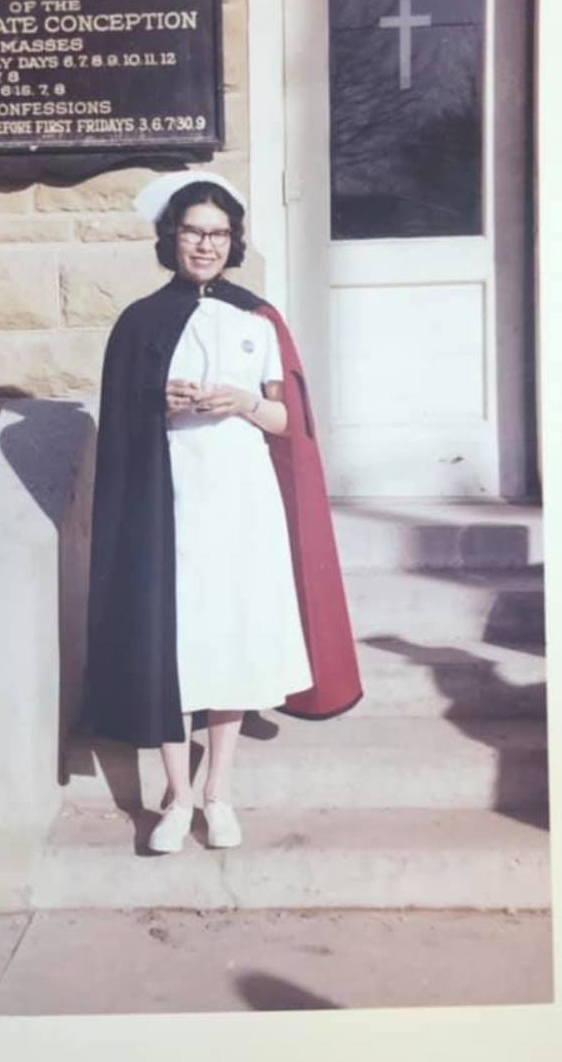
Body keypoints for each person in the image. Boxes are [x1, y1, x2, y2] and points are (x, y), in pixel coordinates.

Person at [86, 171, 362, 854]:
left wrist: (242, 402)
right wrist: (162, 402)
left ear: (233, 240)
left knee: (231, 635)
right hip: (169, 498)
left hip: (241, 498)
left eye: (218, 233)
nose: (205, 244)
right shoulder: (140, 322)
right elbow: (122, 421)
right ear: (170, 237)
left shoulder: (258, 319)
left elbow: (284, 420)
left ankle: (219, 793)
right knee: (173, 638)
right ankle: (176, 796)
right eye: (192, 231)